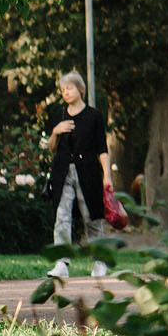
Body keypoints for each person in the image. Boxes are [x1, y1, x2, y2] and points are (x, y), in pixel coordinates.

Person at [42, 72, 114, 280]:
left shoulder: (94, 116)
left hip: (88, 171)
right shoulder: (59, 114)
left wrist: (107, 175)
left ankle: (99, 261)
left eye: (69, 88)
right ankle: (62, 263)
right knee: (61, 217)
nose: (65, 92)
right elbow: (51, 148)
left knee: (92, 216)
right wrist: (55, 131)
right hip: (62, 171)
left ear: (80, 90)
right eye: (62, 90)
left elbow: (102, 148)